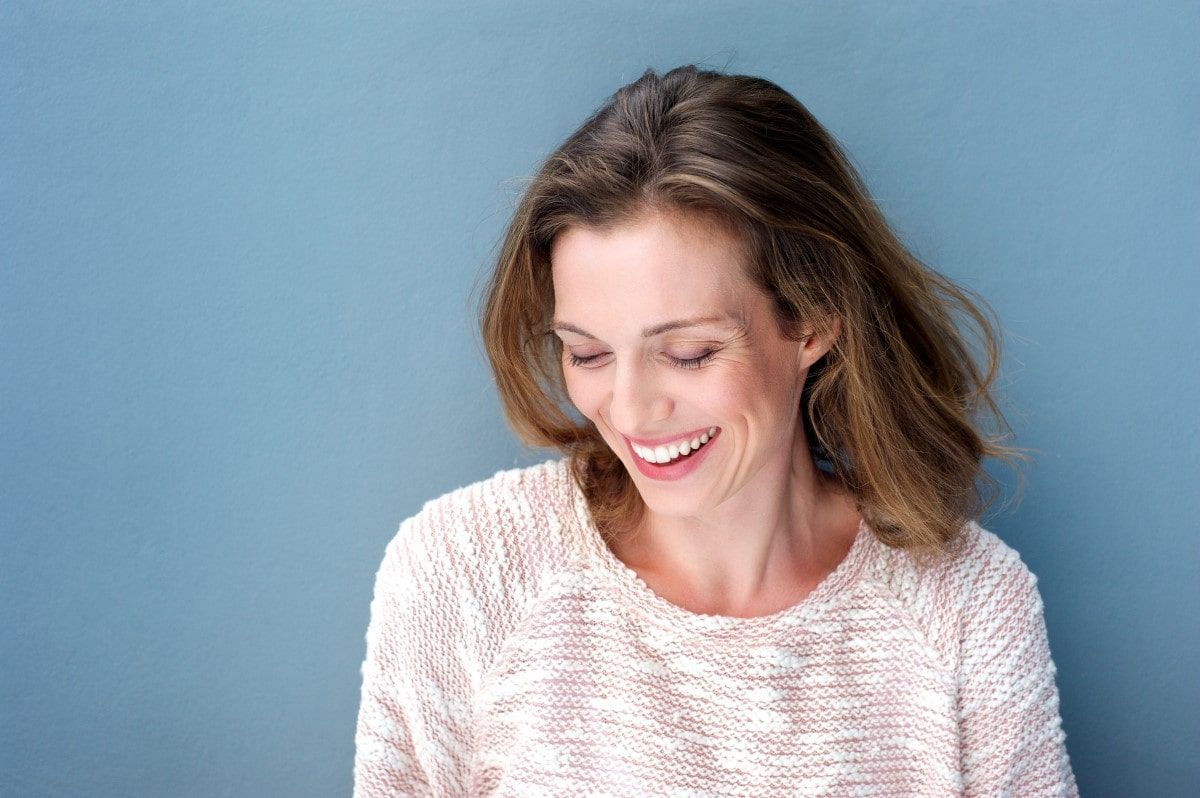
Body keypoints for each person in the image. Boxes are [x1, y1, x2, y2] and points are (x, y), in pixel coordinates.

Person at [353, 65, 1079, 797]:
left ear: (814, 322)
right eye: (588, 353)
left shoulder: (967, 608)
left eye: (689, 353)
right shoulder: (464, 574)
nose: (630, 412)